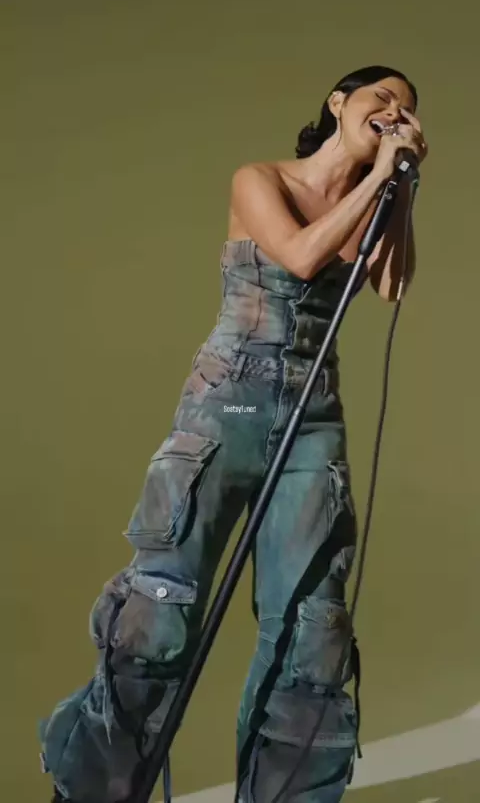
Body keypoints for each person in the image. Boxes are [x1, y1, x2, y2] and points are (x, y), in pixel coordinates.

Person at [39, 65, 428, 803]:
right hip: (227, 407)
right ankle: (93, 791)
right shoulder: (261, 180)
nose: (395, 112)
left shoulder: (373, 201)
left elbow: (394, 283)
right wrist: (379, 175)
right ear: (338, 103)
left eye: (407, 109)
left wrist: (400, 188)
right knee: (160, 610)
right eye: (382, 97)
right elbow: (302, 256)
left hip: (313, 418)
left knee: (313, 632)